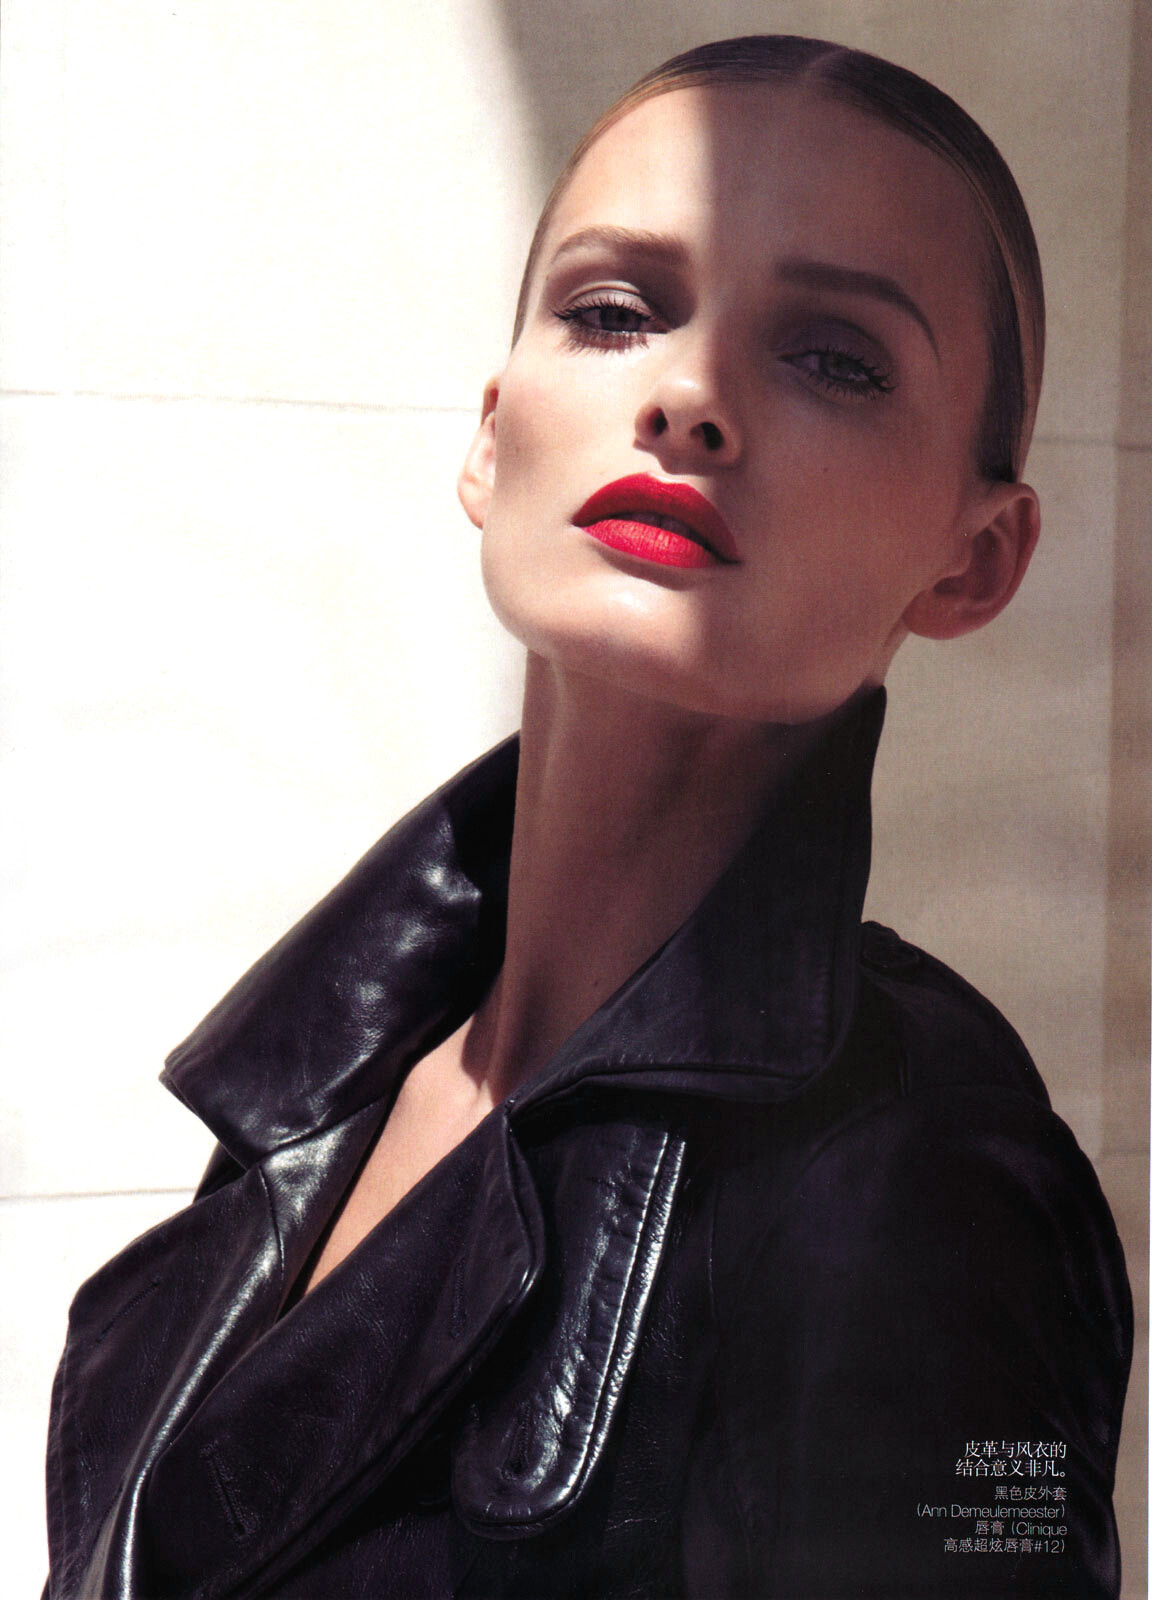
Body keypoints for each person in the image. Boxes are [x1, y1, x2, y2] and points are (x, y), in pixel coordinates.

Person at [44, 34, 1131, 1600]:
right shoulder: (323, 1077)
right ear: (493, 438)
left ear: (976, 559)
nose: (688, 397)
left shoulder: (922, 1166)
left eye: (834, 357)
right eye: (615, 313)